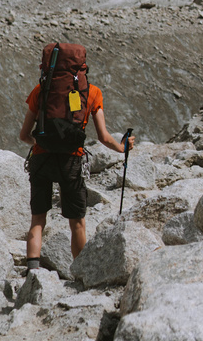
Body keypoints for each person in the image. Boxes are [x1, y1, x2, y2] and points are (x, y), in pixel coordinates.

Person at [19, 76, 135, 270]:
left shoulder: (41, 90)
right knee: (77, 223)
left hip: (41, 161)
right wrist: (123, 149)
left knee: (38, 220)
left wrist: (41, 143)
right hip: (71, 162)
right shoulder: (92, 92)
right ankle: (80, 273)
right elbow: (103, 137)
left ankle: (33, 273)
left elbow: (24, 135)